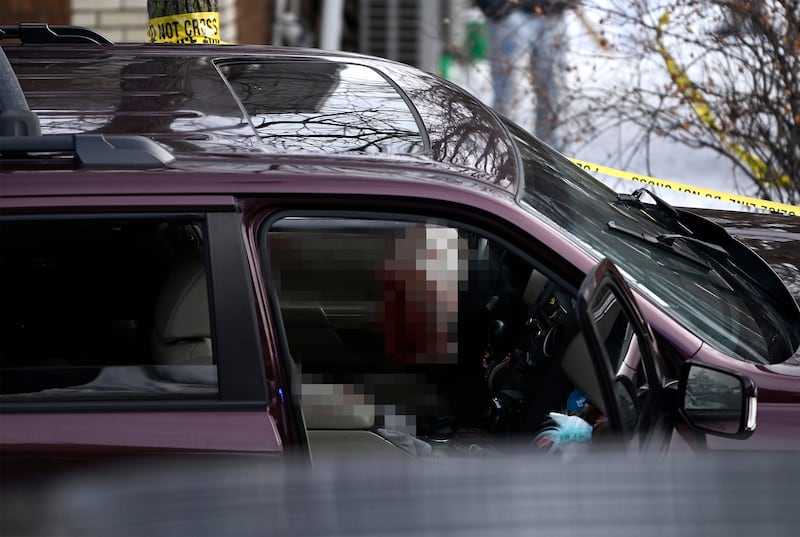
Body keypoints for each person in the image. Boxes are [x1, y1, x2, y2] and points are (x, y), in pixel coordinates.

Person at [477, 1, 578, 149]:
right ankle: (503, 158)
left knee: (553, 95)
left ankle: (551, 165)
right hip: (508, 14)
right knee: (508, 95)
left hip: (552, 14)